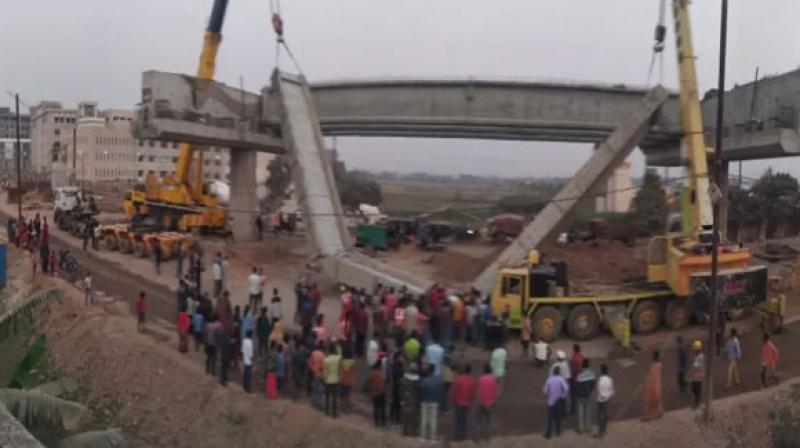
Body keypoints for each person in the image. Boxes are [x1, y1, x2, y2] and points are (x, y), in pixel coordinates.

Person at [543, 365, 569, 439]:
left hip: (550, 402)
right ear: (559, 372)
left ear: (553, 372)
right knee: (558, 417)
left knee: (550, 418)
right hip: (558, 401)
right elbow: (566, 388)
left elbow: (545, 391)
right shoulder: (561, 379)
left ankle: (549, 434)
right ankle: (558, 432)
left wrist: (549, 393)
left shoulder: (549, 379)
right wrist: (562, 395)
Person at [452, 364, 476, 441]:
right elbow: (472, 393)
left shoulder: (458, 379)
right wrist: (470, 400)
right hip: (467, 402)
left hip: (458, 402)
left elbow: (455, 391)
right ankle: (463, 434)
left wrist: (454, 399)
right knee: (464, 418)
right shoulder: (472, 380)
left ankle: (458, 434)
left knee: (459, 418)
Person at [419, 364, 442, 441]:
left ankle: (423, 437)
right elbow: (439, 391)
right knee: (433, 421)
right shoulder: (437, 380)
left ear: (428, 370)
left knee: (424, 420)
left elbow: (421, 390)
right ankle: (432, 438)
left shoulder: (424, 380)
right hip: (434, 401)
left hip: (425, 401)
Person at [477, 363, 499, 441]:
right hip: (490, 403)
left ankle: (478, 436)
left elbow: (479, 392)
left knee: (479, 420)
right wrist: (494, 401)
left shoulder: (481, 379)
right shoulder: (493, 379)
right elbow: (495, 391)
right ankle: (487, 437)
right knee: (488, 421)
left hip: (482, 402)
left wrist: (480, 401)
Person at [575, 358, 597, 434]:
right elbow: (593, 386)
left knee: (580, 412)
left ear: (582, 365)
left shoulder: (579, 375)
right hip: (587, 395)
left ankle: (581, 428)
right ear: (589, 365)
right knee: (588, 411)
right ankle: (588, 427)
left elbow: (576, 386)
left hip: (580, 396)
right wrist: (589, 391)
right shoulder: (592, 374)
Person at [400, 363, 421, 436]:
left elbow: (401, 390)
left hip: (406, 400)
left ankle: (405, 431)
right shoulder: (418, 380)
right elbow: (419, 391)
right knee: (415, 417)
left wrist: (402, 398)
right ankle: (414, 432)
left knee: (406, 416)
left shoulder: (404, 379)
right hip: (414, 400)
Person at [642, 350, 664, 420]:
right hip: (657, 384)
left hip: (653, 385)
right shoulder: (659, 364)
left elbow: (651, 376)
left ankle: (649, 416)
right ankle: (659, 412)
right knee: (657, 399)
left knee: (651, 400)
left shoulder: (654, 365)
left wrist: (647, 377)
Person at [323, 342, 342, 418]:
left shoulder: (326, 359)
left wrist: (324, 378)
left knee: (327, 396)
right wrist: (339, 377)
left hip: (328, 379)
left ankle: (327, 411)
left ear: (329, 350)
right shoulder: (338, 358)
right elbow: (340, 369)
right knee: (334, 397)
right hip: (336, 379)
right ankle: (334, 413)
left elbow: (325, 371)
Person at [596, 364, 614, 438]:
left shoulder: (600, 380)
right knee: (605, 415)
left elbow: (599, 390)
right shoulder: (610, 379)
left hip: (600, 400)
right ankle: (604, 429)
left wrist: (603, 396)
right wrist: (607, 396)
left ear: (602, 371)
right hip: (607, 399)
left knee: (600, 416)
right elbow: (612, 390)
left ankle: (600, 432)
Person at [370, 360, 387, 427]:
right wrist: (382, 391)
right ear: (379, 366)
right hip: (380, 393)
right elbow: (381, 385)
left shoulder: (372, 373)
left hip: (374, 392)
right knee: (382, 408)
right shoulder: (380, 374)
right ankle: (383, 422)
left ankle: (376, 422)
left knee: (376, 408)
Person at [569, 344, 584, 415]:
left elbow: (572, 369)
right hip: (581, 378)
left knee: (573, 395)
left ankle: (573, 410)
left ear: (574, 349)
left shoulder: (573, 357)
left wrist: (571, 378)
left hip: (574, 378)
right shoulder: (581, 356)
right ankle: (580, 408)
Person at [340, 345, 355, 413]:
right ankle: (346, 408)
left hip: (343, 380)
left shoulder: (343, 362)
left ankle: (343, 407)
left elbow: (342, 370)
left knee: (343, 395)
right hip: (350, 380)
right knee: (347, 395)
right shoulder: (352, 362)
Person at [689, 341, 705, 408]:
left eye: (695, 349)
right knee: (693, 388)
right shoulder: (696, 355)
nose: (694, 350)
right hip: (695, 374)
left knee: (697, 388)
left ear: (698, 349)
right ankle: (696, 401)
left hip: (698, 374)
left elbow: (699, 366)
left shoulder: (701, 356)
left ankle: (697, 402)